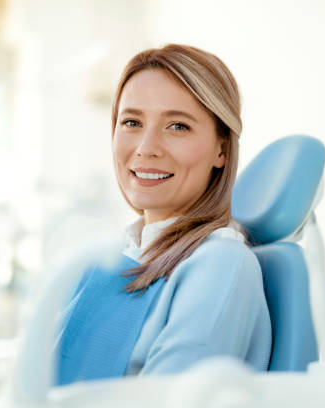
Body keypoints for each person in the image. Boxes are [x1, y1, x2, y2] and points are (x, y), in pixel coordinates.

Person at [54, 44, 271, 385]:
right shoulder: (116, 257)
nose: (146, 147)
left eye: (178, 126)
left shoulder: (221, 265)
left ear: (222, 149)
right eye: (131, 122)